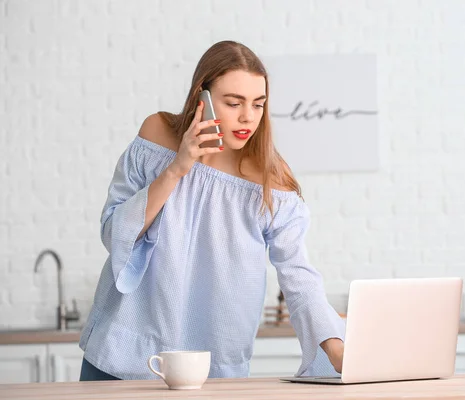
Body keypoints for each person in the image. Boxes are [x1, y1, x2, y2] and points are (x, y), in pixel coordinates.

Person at [79, 40, 345, 381]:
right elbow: (114, 234)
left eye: (258, 104)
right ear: (200, 98)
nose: (248, 116)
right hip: (119, 352)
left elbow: (299, 278)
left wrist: (336, 350)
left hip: (209, 370)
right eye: (233, 103)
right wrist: (178, 167)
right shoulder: (156, 134)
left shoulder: (272, 182)